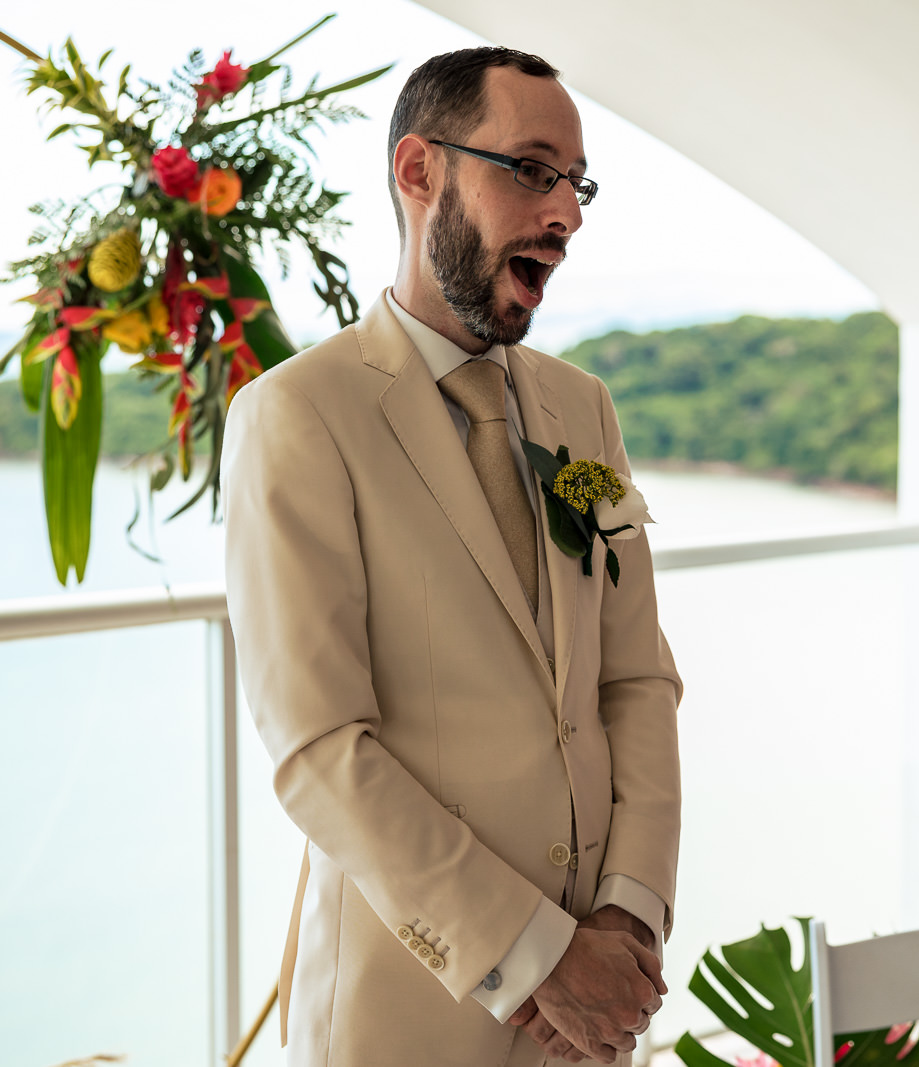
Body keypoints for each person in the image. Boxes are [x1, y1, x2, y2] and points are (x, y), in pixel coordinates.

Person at [221, 46, 683, 1067]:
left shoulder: (582, 411)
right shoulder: (297, 415)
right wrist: (537, 958)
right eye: (530, 169)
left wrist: (627, 919)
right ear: (419, 170)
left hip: (596, 1018)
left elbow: (636, 678)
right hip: (405, 1016)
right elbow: (319, 749)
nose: (564, 213)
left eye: (575, 183)